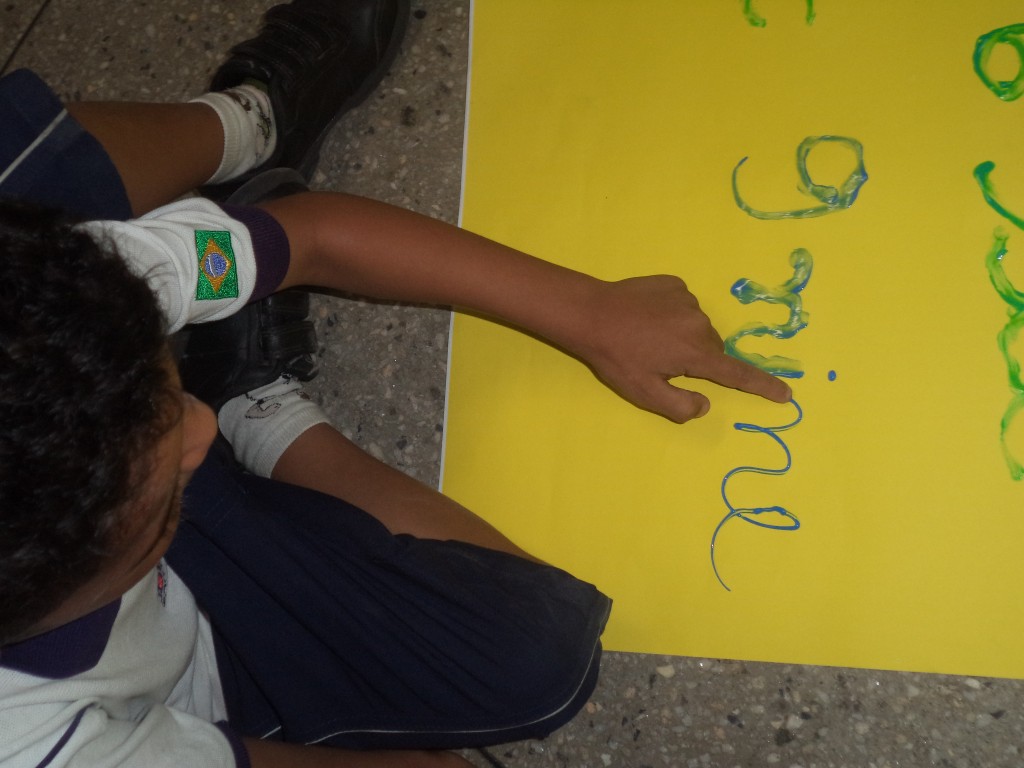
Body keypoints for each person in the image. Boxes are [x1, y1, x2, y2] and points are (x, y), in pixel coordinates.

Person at [0, 1, 792, 766]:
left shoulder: (70, 291)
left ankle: (251, 119)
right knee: (528, 658)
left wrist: (587, 308)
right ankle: (254, 405)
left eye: (170, 389)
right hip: (192, 686)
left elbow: (311, 236)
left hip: (108, 525)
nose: (193, 425)